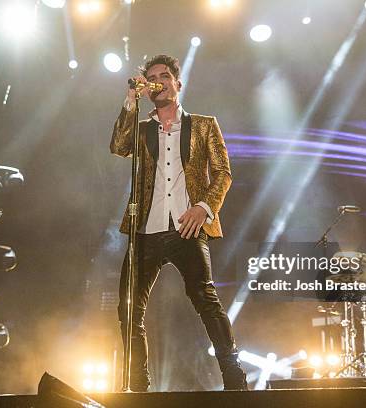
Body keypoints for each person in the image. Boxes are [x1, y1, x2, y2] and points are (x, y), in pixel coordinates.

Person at [109, 54, 247, 391]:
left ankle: (233, 375)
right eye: (152, 77)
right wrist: (130, 101)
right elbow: (117, 146)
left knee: (205, 298)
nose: (159, 81)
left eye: (164, 76)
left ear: (177, 83)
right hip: (145, 229)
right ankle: (138, 385)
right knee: (129, 309)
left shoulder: (203, 125)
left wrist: (203, 206)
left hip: (187, 226)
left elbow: (223, 173)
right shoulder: (141, 129)